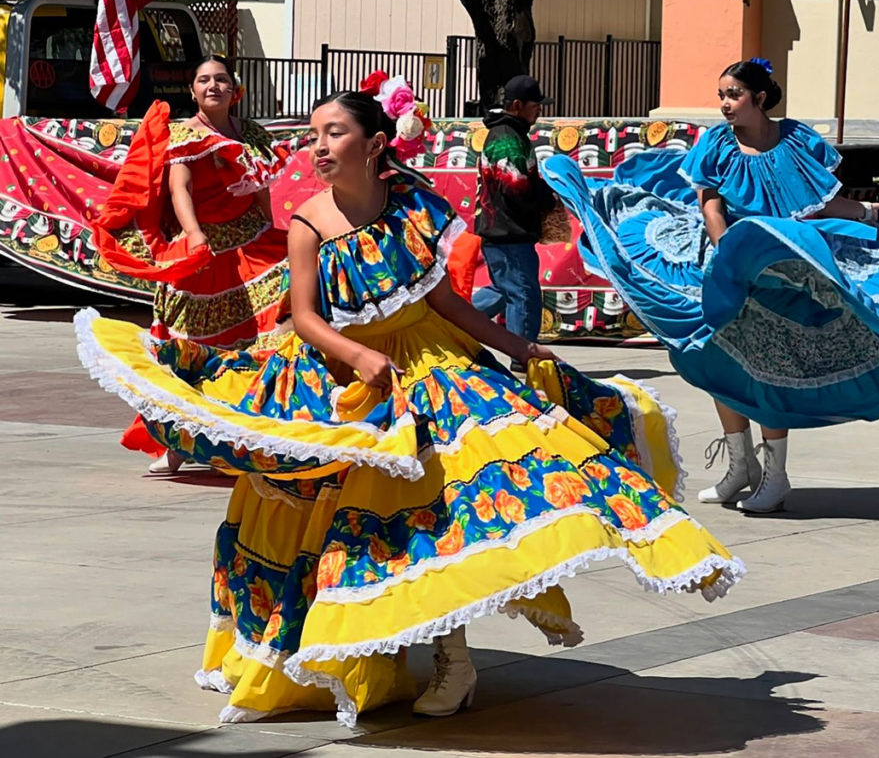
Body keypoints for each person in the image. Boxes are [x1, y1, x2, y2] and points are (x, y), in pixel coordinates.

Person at [75, 76, 744, 726]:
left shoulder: (413, 209)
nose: (317, 147)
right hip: (340, 372)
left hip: (426, 361)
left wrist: (517, 345)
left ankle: (453, 657)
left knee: (457, 499)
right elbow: (304, 315)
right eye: (313, 135)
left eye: (332, 133)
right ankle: (345, 647)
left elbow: (446, 301)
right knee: (332, 519)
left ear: (372, 142)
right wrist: (361, 356)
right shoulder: (309, 222)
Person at [542, 59, 879, 514]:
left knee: (768, 365)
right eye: (721, 95)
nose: (725, 104)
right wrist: (728, 250)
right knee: (717, 358)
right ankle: (739, 467)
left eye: (734, 95)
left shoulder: (796, 141)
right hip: (730, 259)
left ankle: (775, 476)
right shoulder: (716, 145)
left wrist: (873, 216)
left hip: (786, 267)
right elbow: (710, 205)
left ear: (759, 98)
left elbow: (824, 204)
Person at [91, 56, 291, 474]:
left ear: (236, 89)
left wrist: (271, 234)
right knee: (192, 349)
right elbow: (179, 189)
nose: (212, 86)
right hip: (204, 247)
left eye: (221, 79)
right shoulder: (185, 133)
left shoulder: (251, 133)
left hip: (251, 241)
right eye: (204, 80)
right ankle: (179, 443)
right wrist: (194, 234)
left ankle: (245, 434)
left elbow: (260, 189)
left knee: (266, 336)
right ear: (193, 91)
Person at [472, 75, 558, 367]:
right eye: (536, 106)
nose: (540, 112)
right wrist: (547, 200)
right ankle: (523, 357)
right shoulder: (507, 137)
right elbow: (516, 185)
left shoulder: (511, 133)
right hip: (508, 231)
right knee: (523, 294)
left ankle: (451, 321)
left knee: (503, 290)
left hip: (502, 230)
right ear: (518, 105)